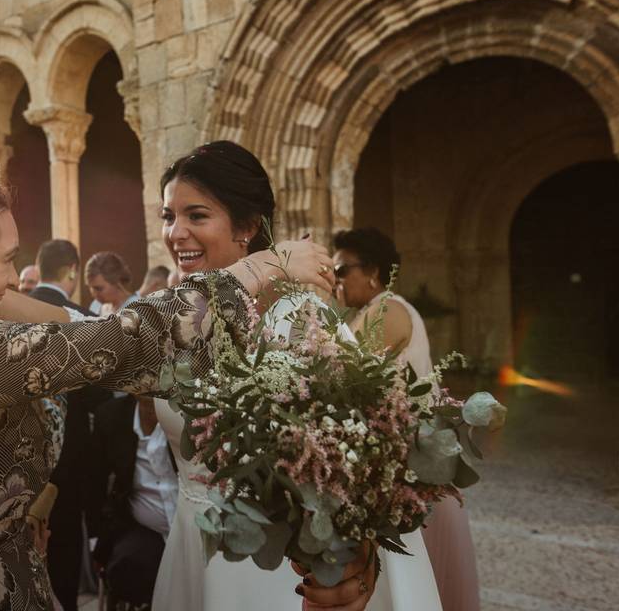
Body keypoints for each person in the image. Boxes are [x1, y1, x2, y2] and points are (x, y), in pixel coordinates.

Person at [0, 161, 333, 611]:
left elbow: (67, 334)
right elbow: (120, 342)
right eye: (8, 258)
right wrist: (262, 266)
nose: (16, 277)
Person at [152, 142, 440, 611]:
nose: (175, 232)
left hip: (272, 573)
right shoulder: (175, 319)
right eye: (168, 216)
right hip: (191, 547)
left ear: (248, 226)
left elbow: (360, 462)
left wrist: (353, 557)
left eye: (196, 216)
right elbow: (79, 336)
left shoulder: (300, 322)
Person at [333, 227, 480, 611]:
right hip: (396, 468)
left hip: (409, 475)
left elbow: (334, 373)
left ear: (373, 272)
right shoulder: (372, 310)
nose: (336, 280)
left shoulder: (388, 310)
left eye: (341, 270)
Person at [30, 239, 108, 611]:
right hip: (68, 466)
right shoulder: (83, 320)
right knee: (62, 562)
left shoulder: (12, 312)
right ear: (73, 271)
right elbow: (101, 394)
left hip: (19, 464)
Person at [88, 394, 177, 610]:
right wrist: (96, 540)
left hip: (193, 526)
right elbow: (94, 482)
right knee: (127, 567)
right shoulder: (112, 416)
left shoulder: (189, 412)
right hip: (145, 529)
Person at [85, 252, 139, 318]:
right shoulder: (96, 306)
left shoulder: (137, 308)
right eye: (91, 288)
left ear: (116, 282)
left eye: (99, 289)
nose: (94, 294)